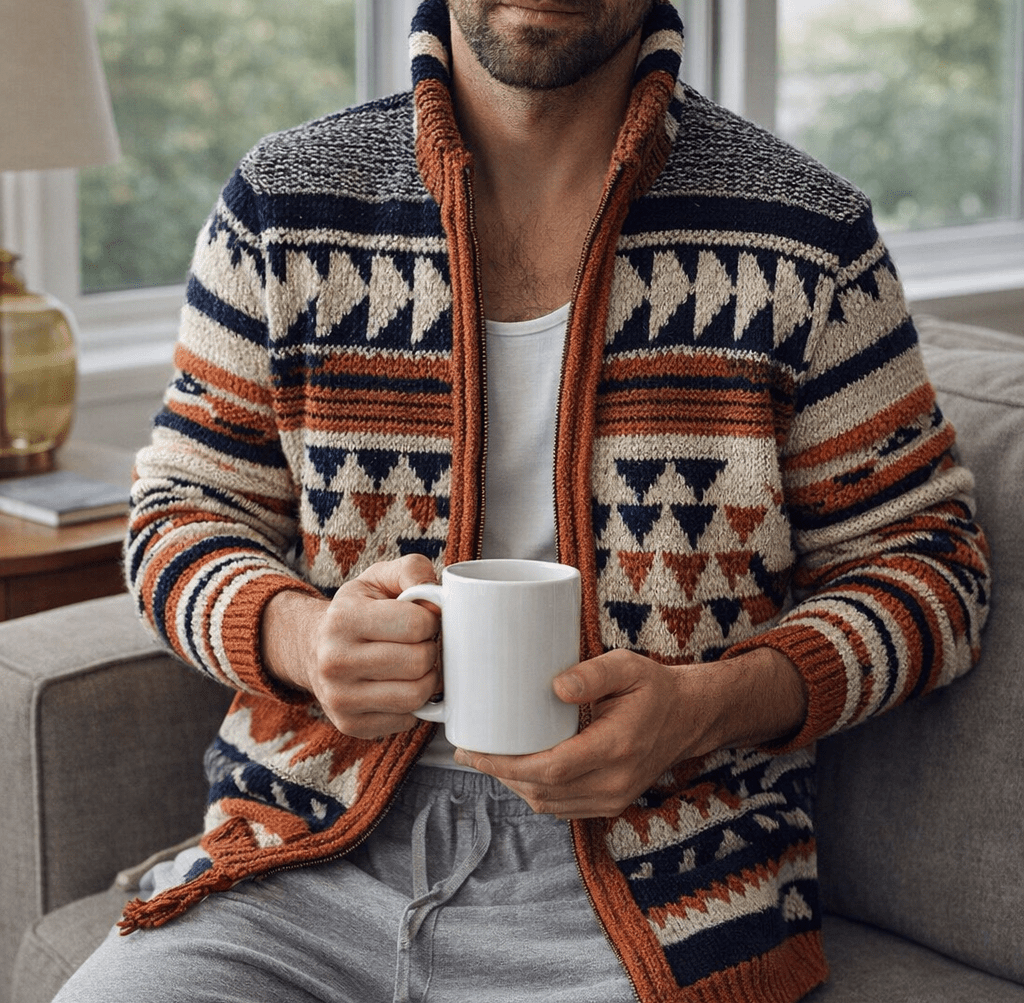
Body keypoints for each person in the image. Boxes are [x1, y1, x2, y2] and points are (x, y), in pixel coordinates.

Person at [56, 0, 990, 1000]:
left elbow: (931, 570)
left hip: (664, 889)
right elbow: (178, 517)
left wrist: (704, 708)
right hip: (300, 865)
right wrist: (301, 636)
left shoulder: (807, 238)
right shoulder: (283, 208)